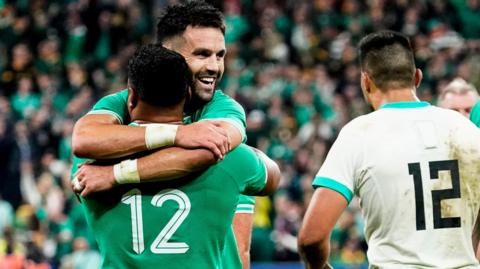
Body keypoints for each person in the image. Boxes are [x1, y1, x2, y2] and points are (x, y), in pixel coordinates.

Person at [71, 1, 257, 268]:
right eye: (202, 54)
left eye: (220, 55)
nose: (215, 67)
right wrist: (177, 135)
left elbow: (212, 149)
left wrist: (115, 175)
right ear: (168, 55)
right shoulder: (124, 101)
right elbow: (83, 141)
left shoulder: (223, 108)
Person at [298, 31, 480, 268]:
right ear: (417, 77)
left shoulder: (359, 134)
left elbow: (311, 238)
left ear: (365, 81)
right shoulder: (465, 128)